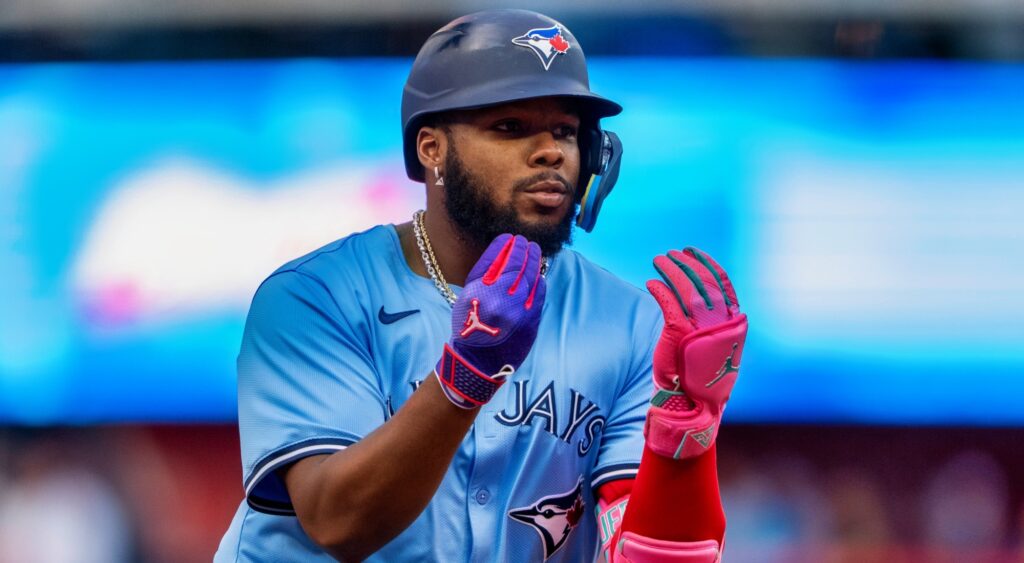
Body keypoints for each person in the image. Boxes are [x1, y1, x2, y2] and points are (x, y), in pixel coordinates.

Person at [215, 9, 746, 562]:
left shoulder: (630, 322)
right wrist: (461, 381)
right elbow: (337, 521)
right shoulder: (313, 297)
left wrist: (685, 437)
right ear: (431, 149)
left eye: (565, 131)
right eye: (509, 127)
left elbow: (650, 556)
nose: (551, 152)